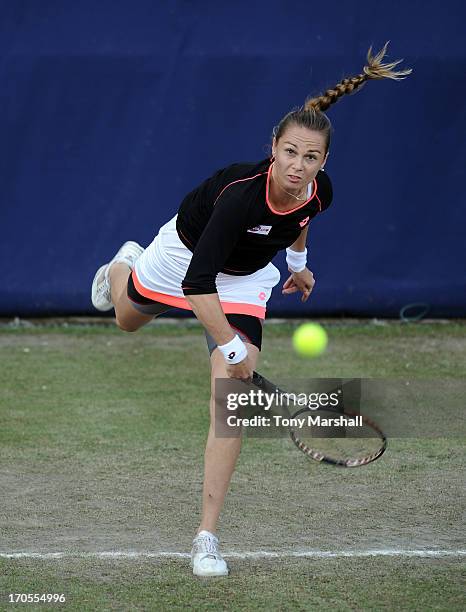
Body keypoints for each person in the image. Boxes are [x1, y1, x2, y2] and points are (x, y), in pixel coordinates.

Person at [91, 42, 411, 577]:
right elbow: (197, 285)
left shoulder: (316, 191)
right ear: (273, 148)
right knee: (126, 318)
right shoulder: (240, 195)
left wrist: (297, 261)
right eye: (289, 153)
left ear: (323, 163)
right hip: (185, 257)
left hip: (245, 279)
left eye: (310, 158)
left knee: (230, 400)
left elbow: (302, 217)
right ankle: (124, 263)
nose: (297, 166)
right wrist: (234, 344)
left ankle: (206, 537)